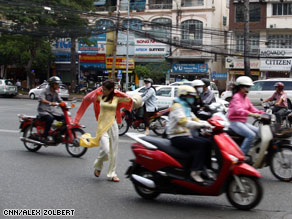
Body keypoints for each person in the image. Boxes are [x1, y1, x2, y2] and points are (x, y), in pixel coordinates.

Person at [74, 79, 133, 182]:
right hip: (102, 126)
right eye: (102, 89)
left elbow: (128, 99)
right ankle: (98, 166)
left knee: (113, 151)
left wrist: (119, 92)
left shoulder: (116, 98)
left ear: (111, 90)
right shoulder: (99, 96)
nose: (103, 90)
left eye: (105, 89)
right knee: (105, 149)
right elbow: (87, 98)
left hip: (113, 125)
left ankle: (112, 174)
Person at [166, 85, 213, 183]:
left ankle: (206, 169)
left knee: (208, 142)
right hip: (176, 137)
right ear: (183, 96)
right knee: (200, 144)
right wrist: (201, 126)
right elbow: (184, 121)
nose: (192, 99)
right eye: (190, 97)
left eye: (192, 97)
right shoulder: (177, 107)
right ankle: (194, 172)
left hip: (185, 135)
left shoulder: (186, 107)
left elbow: (196, 119)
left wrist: (210, 124)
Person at [227, 76, 264, 156]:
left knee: (259, 132)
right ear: (240, 87)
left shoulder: (245, 97)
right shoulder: (236, 97)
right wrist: (251, 114)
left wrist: (261, 112)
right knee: (251, 135)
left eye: (249, 87)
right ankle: (241, 155)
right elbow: (238, 110)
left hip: (243, 122)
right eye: (247, 87)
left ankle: (249, 148)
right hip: (235, 122)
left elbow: (251, 107)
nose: (248, 89)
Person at [37, 76, 64, 143]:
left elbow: (60, 100)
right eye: (56, 84)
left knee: (64, 117)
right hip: (43, 110)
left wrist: (64, 104)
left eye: (58, 84)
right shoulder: (45, 91)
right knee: (50, 119)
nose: (58, 85)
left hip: (51, 111)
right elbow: (42, 99)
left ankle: (58, 134)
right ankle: (45, 136)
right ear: (52, 84)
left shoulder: (55, 93)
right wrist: (50, 103)